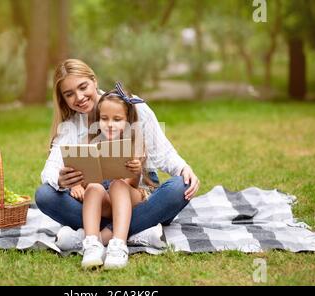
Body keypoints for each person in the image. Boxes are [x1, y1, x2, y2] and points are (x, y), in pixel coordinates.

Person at [35, 59, 200, 256]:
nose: (79, 97)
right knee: (45, 195)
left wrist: (183, 168)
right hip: (96, 199)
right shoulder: (70, 126)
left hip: (136, 193)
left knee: (179, 187)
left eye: (83, 87)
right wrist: (61, 181)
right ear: (63, 98)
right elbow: (50, 170)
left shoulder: (130, 105)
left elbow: (162, 152)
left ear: (94, 81)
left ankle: (94, 237)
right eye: (69, 94)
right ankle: (138, 230)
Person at [75, 83, 156, 269]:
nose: (110, 124)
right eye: (104, 118)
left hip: (132, 197)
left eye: (117, 119)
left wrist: (135, 171)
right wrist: (77, 184)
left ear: (128, 120)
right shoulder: (91, 141)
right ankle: (92, 245)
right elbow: (86, 180)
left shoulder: (135, 142)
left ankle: (118, 244)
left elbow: (133, 185)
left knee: (118, 185)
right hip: (106, 202)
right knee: (94, 187)